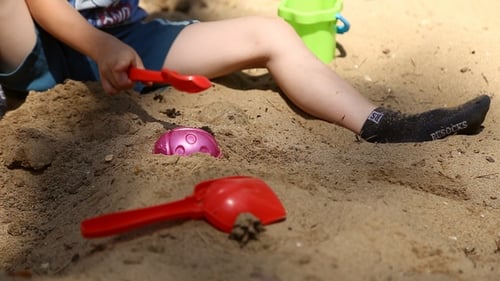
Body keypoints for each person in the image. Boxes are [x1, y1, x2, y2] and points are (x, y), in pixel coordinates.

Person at [0, 0, 491, 143]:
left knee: (271, 34)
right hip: (33, 39)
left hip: (126, 37)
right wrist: (99, 45)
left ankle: (377, 123)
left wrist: (114, 40)